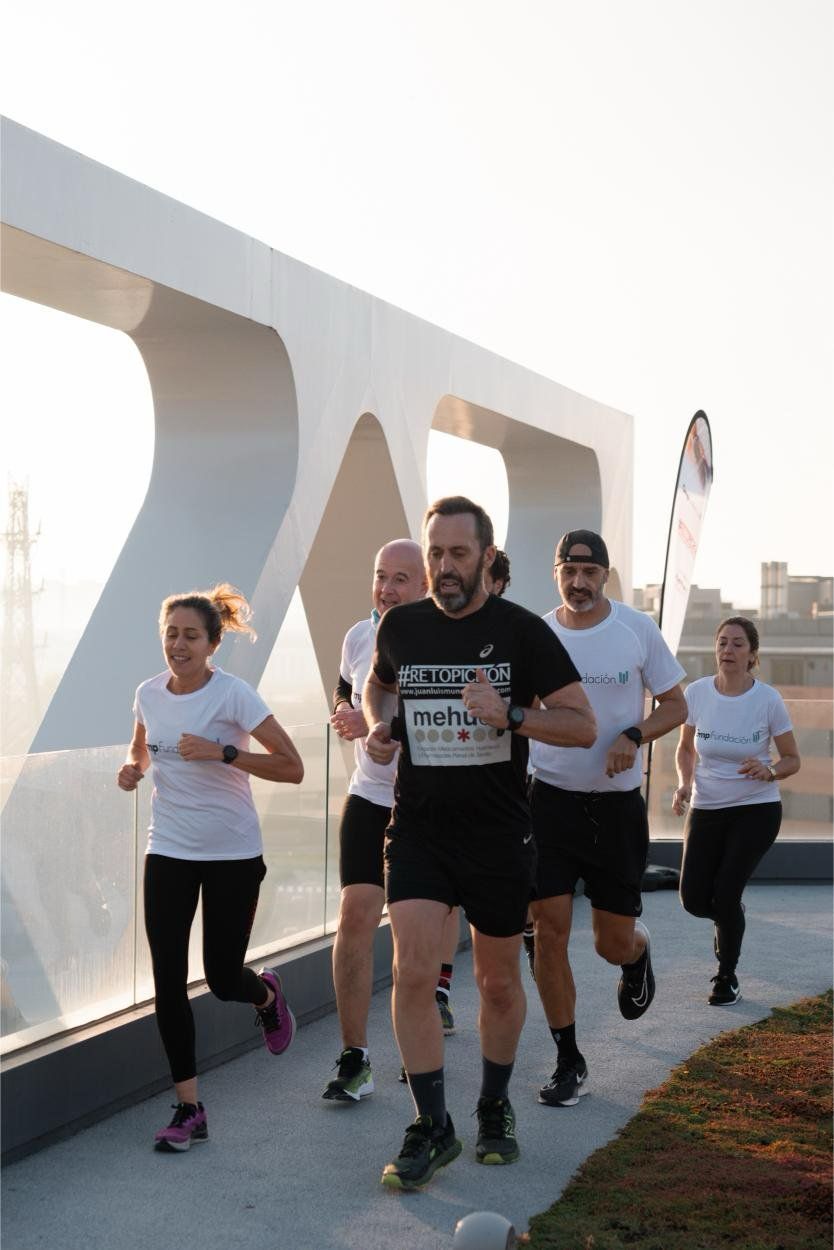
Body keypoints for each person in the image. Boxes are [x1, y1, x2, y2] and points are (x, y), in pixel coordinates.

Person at [363, 497, 596, 1190]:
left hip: (498, 835)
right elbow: (378, 686)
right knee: (410, 973)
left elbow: (582, 724)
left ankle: (494, 1105)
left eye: (457, 554)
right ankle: (431, 1124)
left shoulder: (522, 632)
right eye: (435, 553)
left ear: (486, 557)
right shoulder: (402, 626)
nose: (443, 567)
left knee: (496, 983)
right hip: (419, 829)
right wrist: (380, 725)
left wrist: (511, 713)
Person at [117, 584, 304, 1152]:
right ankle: (189, 1108)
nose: (178, 644)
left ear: (212, 644)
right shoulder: (148, 693)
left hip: (232, 854)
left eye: (191, 636)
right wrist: (132, 769)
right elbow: (141, 748)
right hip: (168, 849)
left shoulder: (234, 696)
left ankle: (265, 996)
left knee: (222, 978)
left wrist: (224, 752)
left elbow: (292, 766)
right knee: (168, 981)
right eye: (171, 634)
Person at [529, 530, 687, 1110]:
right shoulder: (536, 634)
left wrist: (634, 735)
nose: (579, 583)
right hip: (549, 801)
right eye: (569, 572)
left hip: (617, 809)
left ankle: (637, 955)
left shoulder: (636, 629)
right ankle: (568, 1059)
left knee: (610, 943)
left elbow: (677, 704)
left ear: (605, 575)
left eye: (590, 573)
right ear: (556, 573)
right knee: (547, 931)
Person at [323, 539, 461, 1102]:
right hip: (369, 795)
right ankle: (354, 1057)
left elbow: (456, 723)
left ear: (426, 585)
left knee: (413, 938)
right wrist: (344, 712)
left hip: (429, 804)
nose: (386, 588)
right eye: (381, 576)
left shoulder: (447, 639)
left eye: (400, 578)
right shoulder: (359, 635)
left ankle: (419, 1046)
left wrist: (386, 727)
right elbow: (345, 686)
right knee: (354, 915)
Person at [673, 616, 800, 1004]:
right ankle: (730, 915)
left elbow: (792, 759)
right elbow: (685, 748)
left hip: (755, 809)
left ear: (752, 654)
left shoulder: (767, 700)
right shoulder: (697, 692)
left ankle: (726, 976)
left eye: (737, 644)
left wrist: (770, 770)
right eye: (722, 642)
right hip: (706, 806)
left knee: (726, 892)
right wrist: (684, 782)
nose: (728, 650)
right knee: (694, 900)